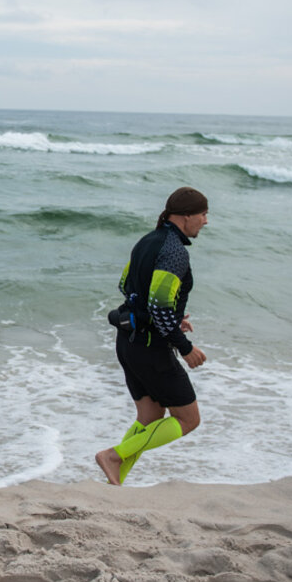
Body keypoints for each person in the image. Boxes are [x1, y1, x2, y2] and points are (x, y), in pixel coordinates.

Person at [95, 187, 209, 486]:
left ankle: (115, 482)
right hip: (150, 348)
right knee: (188, 419)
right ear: (186, 216)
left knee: (150, 417)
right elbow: (159, 305)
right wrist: (185, 347)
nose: (206, 221)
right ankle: (112, 456)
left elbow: (126, 286)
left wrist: (171, 319)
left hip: (128, 342)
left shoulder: (146, 241)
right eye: (203, 214)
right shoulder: (174, 251)